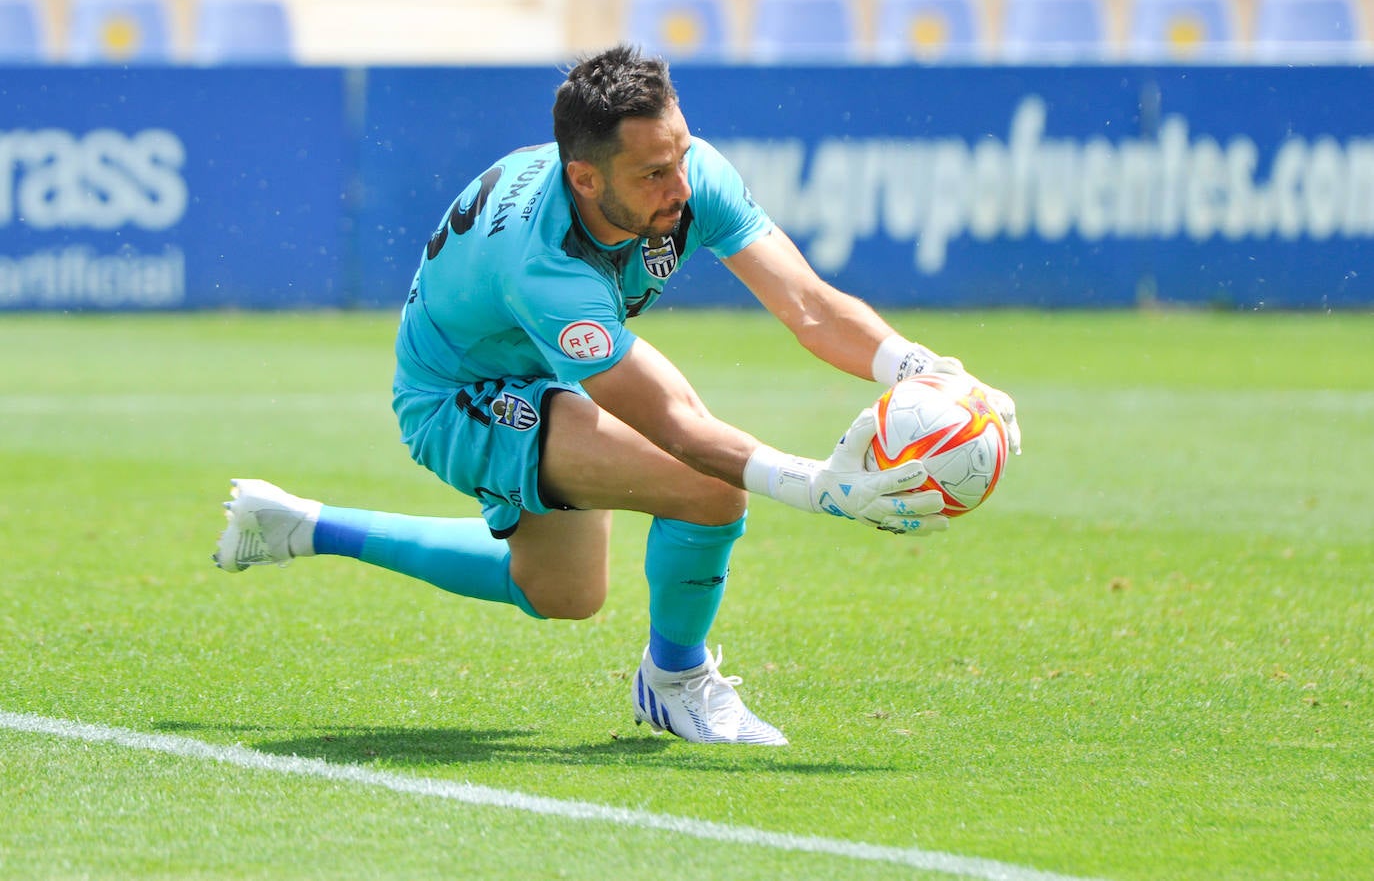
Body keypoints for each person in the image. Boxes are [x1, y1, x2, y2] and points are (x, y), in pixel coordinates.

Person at [214, 45, 1019, 747]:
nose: (680, 186)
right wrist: (817, 488)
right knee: (704, 485)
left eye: (680, 154)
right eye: (654, 173)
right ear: (585, 177)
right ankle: (677, 685)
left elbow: (807, 304)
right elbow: (676, 426)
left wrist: (925, 367)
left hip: (542, 360)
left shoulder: (687, 172)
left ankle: (303, 525)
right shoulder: (544, 263)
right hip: (457, 395)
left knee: (562, 594)